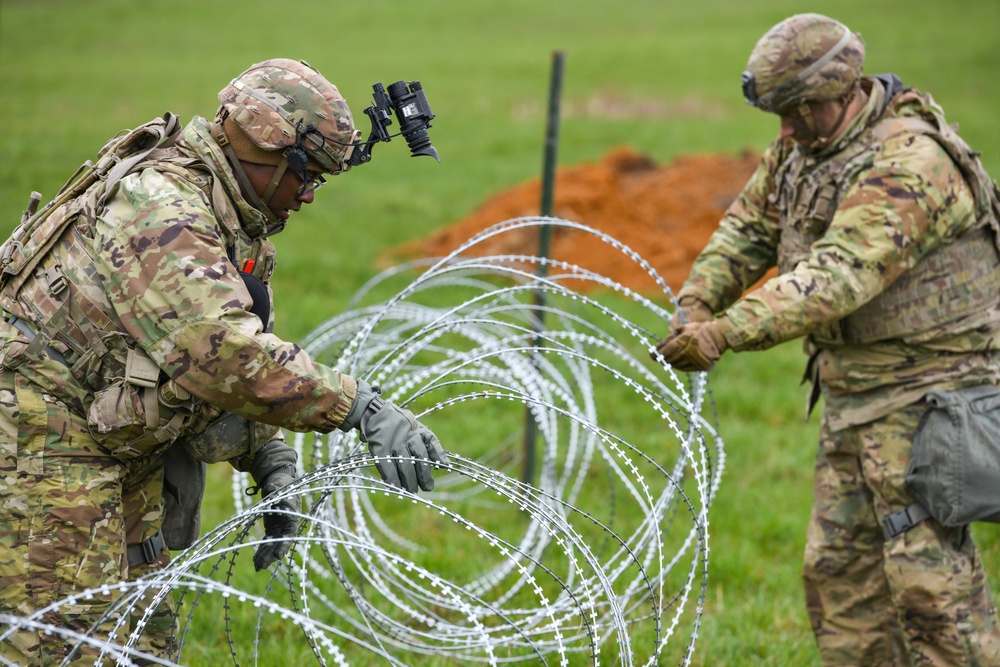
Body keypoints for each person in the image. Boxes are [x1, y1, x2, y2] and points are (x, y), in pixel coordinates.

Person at [0, 58, 448, 665]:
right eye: (307, 175)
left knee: (143, 639)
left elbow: (226, 351)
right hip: (43, 442)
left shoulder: (235, 217)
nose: (311, 194)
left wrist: (269, 460)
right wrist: (357, 407)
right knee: (61, 646)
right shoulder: (163, 210)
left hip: (108, 441)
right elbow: (221, 353)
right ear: (264, 151)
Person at [653, 13, 1000, 667]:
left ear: (842, 93)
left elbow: (835, 276)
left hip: (930, 400)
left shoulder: (910, 163)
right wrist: (697, 299)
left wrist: (723, 333)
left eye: (799, 111)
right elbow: (750, 223)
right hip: (855, 392)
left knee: (931, 591)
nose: (784, 130)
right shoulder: (806, 148)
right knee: (840, 575)